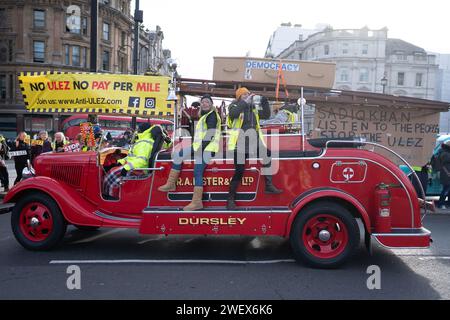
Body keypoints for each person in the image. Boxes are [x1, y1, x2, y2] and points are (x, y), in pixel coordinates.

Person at [158, 94, 221, 211]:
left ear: (211, 104)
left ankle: (197, 202)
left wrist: (200, 148)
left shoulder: (212, 115)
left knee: (197, 172)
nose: (204, 104)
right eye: (203, 102)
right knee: (179, 155)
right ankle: (171, 184)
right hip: (200, 146)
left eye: (207, 102)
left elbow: (210, 134)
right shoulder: (205, 115)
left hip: (207, 149)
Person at [226, 87, 282, 210]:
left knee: (267, 155)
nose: (248, 96)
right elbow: (233, 115)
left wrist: (264, 102)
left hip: (253, 141)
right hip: (239, 143)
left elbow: (266, 115)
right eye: (244, 94)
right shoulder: (234, 106)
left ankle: (268, 184)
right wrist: (245, 102)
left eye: (248, 94)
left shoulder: (253, 108)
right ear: (239, 97)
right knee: (239, 171)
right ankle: (230, 200)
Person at [103, 123, 171, 199]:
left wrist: (126, 168)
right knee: (112, 170)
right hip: (135, 166)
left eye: (138, 129)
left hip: (140, 169)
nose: (137, 131)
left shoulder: (144, 142)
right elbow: (131, 157)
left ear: (142, 130)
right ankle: (110, 194)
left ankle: (110, 197)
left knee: (112, 174)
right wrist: (119, 162)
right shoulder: (142, 140)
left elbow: (141, 161)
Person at [437, 140, 450, 209]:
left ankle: (446, 203)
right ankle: (441, 203)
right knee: (446, 189)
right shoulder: (446, 154)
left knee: (447, 189)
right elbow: (443, 165)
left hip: (446, 174)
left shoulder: (443, 152)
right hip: (447, 174)